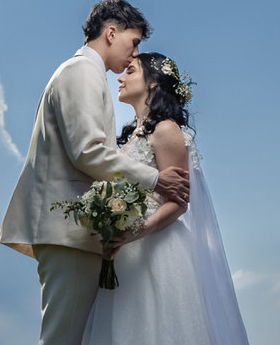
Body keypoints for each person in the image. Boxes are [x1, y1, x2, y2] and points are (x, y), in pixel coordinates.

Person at [0, 0, 190, 345]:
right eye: (133, 43)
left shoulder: (85, 73)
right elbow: (87, 152)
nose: (134, 55)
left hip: (77, 232)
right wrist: (156, 179)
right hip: (67, 230)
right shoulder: (82, 72)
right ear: (111, 33)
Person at [81, 52, 250, 345]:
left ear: (154, 82)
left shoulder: (166, 130)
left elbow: (179, 202)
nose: (120, 77)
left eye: (130, 71)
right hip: (126, 254)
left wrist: (134, 231)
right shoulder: (132, 136)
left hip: (158, 250)